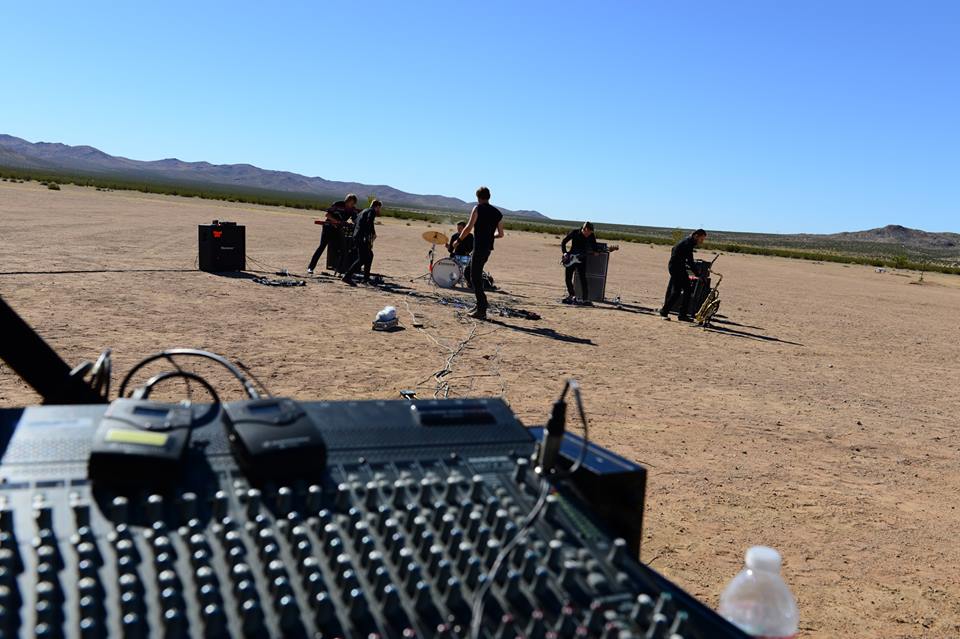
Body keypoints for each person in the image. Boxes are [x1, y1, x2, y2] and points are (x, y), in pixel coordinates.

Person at [453, 186, 504, 320]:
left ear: (478, 197)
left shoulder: (477, 208)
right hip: (487, 249)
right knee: (471, 272)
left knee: (474, 276)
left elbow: (469, 227)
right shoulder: (497, 213)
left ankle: (482, 308)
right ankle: (480, 305)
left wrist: (458, 240)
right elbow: (501, 234)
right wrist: (490, 235)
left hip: (479, 248)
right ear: (489, 197)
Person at [307, 193, 360, 274]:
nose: (352, 205)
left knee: (343, 249)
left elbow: (355, 219)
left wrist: (357, 224)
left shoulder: (352, 209)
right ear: (347, 201)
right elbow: (328, 215)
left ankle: (341, 270)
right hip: (328, 228)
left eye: (353, 204)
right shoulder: (337, 204)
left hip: (338, 229)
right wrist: (337, 221)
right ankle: (311, 267)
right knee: (322, 247)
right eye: (351, 203)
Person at [660, 229, 707, 321]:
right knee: (677, 291)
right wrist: (699, 275)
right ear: (696, 236)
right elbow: (690, 261)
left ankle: (682, 315)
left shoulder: (687, 242)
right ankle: (664, 312)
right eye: (701, 239)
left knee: (687, 290)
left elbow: (674, 249)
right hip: (676, 268)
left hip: (679, 267)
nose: (702, 242)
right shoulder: (687, 244)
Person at [341, 199, 380, 286]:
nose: (379, 210)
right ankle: (347, 276)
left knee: (369, 255)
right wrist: (372, 234)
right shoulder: (371, 211)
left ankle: (366, 278)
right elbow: (369, 222)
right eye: (379, 208)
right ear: (377, 206)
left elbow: (356, 222)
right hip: (362, 238)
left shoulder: (364, 211)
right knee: (362, 258)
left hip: (357, 236)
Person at [560, 222, 599, 305]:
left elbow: (594, 246)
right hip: (571, 258)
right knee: (568, 278)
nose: (589, 234)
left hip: (582, 260)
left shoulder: (591, 236)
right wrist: (565, 253)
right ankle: (572, 295)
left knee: (583, 279)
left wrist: (596, 251)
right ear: (585, 229)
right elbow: (563, 242)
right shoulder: (574, 233)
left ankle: (585, 299)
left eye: (591, 233)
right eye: (588, 232)